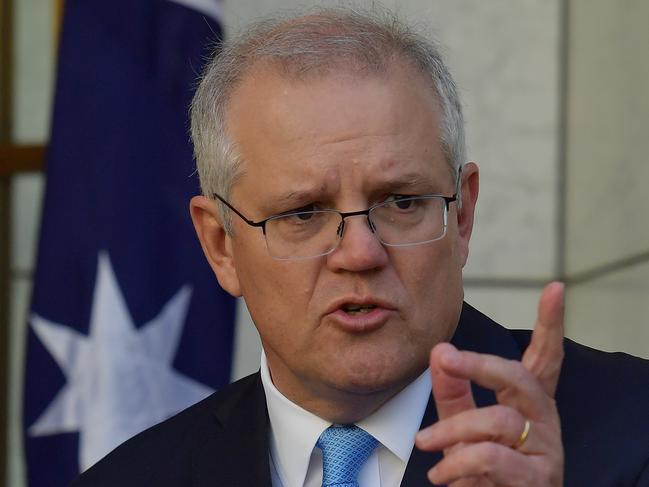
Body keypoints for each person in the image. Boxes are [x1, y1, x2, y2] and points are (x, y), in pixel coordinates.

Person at [72, 7, 649, 487]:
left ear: (463, 214)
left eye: (401, 203)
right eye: (303, 213)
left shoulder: (633, 430)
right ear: (221, 246)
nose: (360, 253)